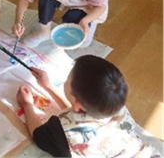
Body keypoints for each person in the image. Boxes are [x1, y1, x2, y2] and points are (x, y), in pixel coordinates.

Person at [16, 55, 156, 157]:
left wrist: (27, 104)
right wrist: (48, 87)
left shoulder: (61, 131)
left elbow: (40, 135)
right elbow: (77, 112)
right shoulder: (116, 106)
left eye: (67, 79)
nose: (65, 81)